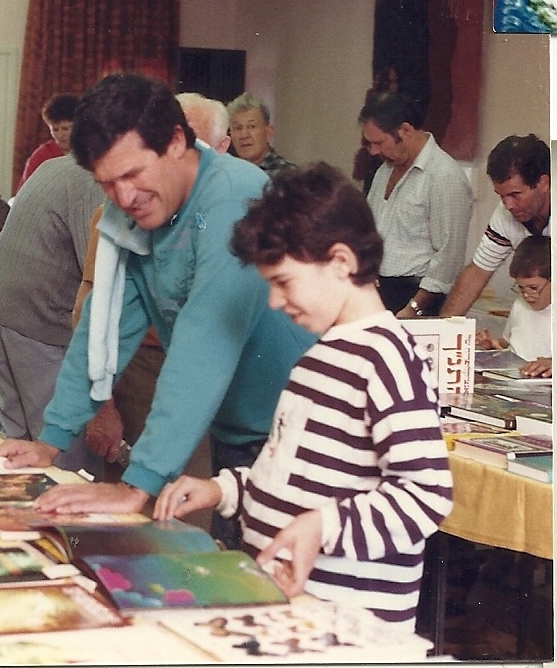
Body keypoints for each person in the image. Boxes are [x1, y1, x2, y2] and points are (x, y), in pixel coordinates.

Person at [0, 74, 313, 550]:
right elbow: (105, 324)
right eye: (107, 183)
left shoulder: (233, 197)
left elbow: (203, 347)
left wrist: (137, 484)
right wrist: (52, 438)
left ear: (178, 141)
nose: (123, 198)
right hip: (238, 426)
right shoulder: (134, 211)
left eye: (133, 174)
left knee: (277, 588)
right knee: (237, 575)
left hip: (301, 429)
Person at [154, 163, 454, 630]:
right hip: (294, 610)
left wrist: (323, 526)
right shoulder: (320, 355)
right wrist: (222, 489)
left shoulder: (386, 358)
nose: (275, 302)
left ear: (340, 262)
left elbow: (426, 493)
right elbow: (288, 474)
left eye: (283, 282)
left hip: (351, 626)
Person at [76, 91, 232, 479]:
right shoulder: (121, 216)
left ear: (222, 149)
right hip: (142, 373)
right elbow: (87, 313)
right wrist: (103, 406)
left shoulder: (236, 210)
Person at [0, 153, 107, 473]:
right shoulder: (92, 178)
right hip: (41, 321)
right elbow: (97, 275)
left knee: (17, 438)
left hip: (5, 311)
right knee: (58, 451)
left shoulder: (57, 165)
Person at [358, 90, 473, 317]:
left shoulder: (444, 176)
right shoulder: (384, 170)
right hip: (378, 293)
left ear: (406, 131)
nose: (373, 151)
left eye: (379, 142)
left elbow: (448, 257)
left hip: (417, 300)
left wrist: (414, 307)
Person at [440, 134, 551, 317]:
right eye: (501, 196)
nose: (508, 205)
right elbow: (476, 273)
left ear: (543, 183)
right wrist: (443, 329)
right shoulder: (506, 212)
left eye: (516, 194)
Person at [475, 236, 551, 376]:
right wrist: (492, 345)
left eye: (533, 288)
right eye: (521, 288)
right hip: (514, 381)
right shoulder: (520, 305)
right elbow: (509, 342)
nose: (527, 295)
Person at [17, 93, 80, 190]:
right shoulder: (41, 155)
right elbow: (25, 191)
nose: (60, 134)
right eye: (55, 130)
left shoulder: (90, 152)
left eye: (65, 128)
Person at [227, 92, 295, 176]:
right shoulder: (227, 173)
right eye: (238, 128)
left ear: (268, 132)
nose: (244, 135)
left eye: (251, 126)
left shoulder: (288, 175)